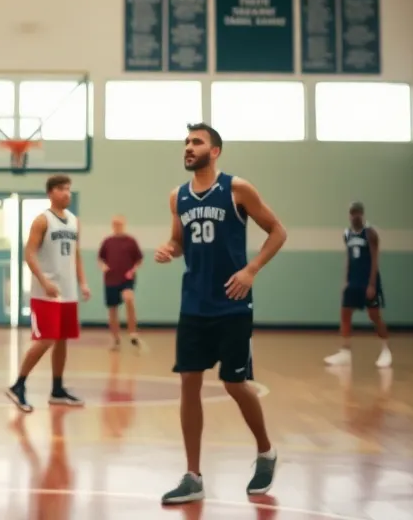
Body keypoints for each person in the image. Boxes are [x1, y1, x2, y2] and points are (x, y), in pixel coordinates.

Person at [155, 122, 287, 504]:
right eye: (186, 142)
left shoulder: (236, 189)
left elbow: (277, 231)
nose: (188, 147)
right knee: (189, 383)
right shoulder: (178, 197)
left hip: (232, 303)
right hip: (193, 304)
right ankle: (193, 476)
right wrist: (169, 249)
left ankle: (266, 451)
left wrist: (251, 270)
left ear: (214, 151)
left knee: (234, 383)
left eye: (196, 142)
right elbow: (179, 241)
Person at [6, 174, 90, 413]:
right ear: (50, 192)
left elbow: (76, 254)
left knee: (62, 339)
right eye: (62, 189)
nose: (67, 193)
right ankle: (18, 384)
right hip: (45, 293)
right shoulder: (42, 220)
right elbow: (29, 253)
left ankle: (57, 389)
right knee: (47, 339)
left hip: (68, 292)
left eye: (69, 189)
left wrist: (83, 283)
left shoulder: (74, 221)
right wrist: (43, 281)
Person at [324, 202, 392, 369]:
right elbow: (348, 258)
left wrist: (372, 284)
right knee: (345, 314)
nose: (355, 216)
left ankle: (385, 350)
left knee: (374, 316)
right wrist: (345, 281)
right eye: (352, 213)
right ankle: (345, 352)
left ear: (362, 214)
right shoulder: (347, 234)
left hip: (367, 281)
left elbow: (375, 259)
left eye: (358, 213)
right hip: (353, 281)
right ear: (349, 215)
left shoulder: (370, 233)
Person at [98, 215, 143, 350]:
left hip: (126, 278)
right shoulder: (107, 241)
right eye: (115, 224)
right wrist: (103, 267)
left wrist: (133, 270)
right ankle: (115, 339)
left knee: (129, 298)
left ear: (124, 225)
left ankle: (133, 333)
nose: (117, 226)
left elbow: (139, 259)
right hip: (111, 279)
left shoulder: (131, 241)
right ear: (112, 226)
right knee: (113, 309)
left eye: (120, 224)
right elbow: (100, 259)